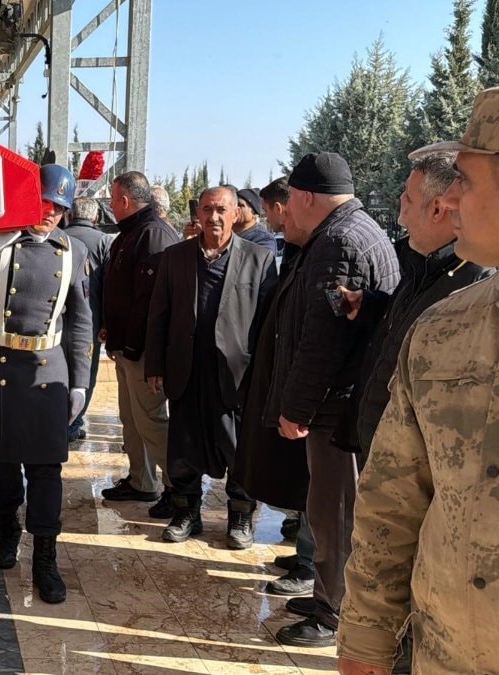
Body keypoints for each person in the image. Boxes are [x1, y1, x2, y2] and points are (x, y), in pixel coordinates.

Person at [337, 85, 499, 675]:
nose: (450, 199)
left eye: (468, 181)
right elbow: (393, 502)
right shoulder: (443, 330)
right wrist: (366, 637)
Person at [265, 152, 400, 648]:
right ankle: (327, 592)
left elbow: (322, 340)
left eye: (290, 200)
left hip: (336, 411)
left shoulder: (338, 241)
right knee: (330, 509)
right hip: (343, 403)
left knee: (335, 513)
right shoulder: (354, 230)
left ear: (304, 197)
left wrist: (296, 407)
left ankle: (333, 612)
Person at [0, 163, 92, 603]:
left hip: (45, 368)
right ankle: (8, 527)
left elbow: (80, 320)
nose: (49, 213)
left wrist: (79, 382)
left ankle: (46, 555)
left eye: (58, 207)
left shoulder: (71, 251)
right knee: (1, 458)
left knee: (46, 467)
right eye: (43, 202)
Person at [143, 186, 277, 547]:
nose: (213, 217)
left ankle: (240, 516)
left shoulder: (259, 259)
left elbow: (268, 325)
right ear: (197, 214)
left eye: (221, 210)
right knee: (183, 448)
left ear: (235, 214)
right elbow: (159, 313)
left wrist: (265, 376)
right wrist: (155, 363)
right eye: (207, 209)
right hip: (186, 369)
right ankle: (186, 512)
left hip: (236, 375)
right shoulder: (175, 257)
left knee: (238, 449)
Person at [340, 152, 493, 458]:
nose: (401, 216)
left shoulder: (475, 284)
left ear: (437, 209)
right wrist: (373, 307)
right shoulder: (423, 266)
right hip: (388, 457)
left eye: (407, 199)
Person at [228, 175, 315, 596]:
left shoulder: (309, 249)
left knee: (315, 482)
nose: (273, 216)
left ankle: (312, 565)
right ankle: (306, 553)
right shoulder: (299, 249)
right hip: (275, 376)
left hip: (307, 393)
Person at [100, 171, 180, 518]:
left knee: (151, 421)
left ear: (124, 200)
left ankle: (179, 489)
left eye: (113, 199)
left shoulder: (153, 235)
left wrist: (138, 348)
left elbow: (152, 303)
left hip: (143, 351)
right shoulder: (131, 233)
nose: (111, 205)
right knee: (132, 419)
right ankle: (141, 481)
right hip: (126, 347)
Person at [64, 196, 113, 443]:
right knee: (85, 372)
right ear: (96, 217)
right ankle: (74, 423)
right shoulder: (104, 241)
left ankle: (57, 421)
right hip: (90, 321)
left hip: (56, 319)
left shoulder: (59, 236)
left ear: (69, 215)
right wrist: (106, 322)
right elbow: (110, 285)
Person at [234, 188, 278, 255]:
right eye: (233, 205)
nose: (235, 209)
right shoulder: (225, 233)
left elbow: (260, 260)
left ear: (255, 213)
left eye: (240, 205)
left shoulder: (264, 239)